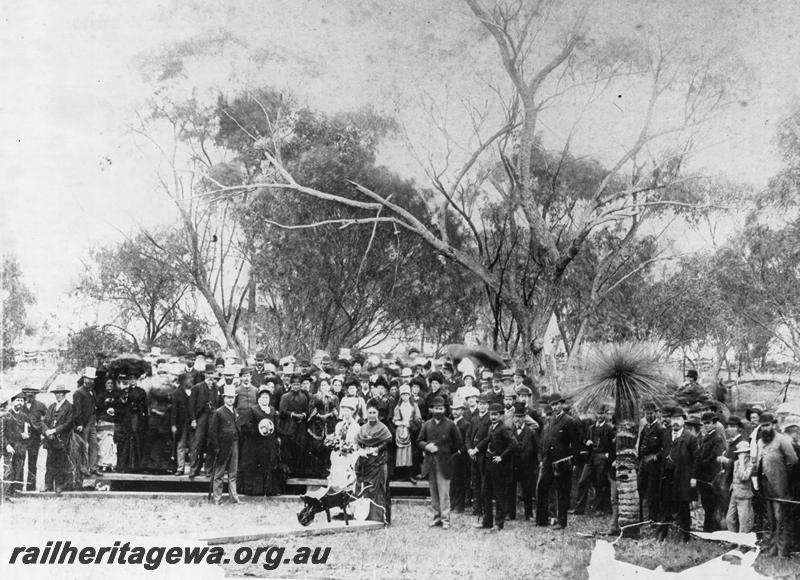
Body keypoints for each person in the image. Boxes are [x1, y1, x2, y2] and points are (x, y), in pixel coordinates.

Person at [752, 412, 798, 557]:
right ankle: (772, 549)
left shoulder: (782, 440)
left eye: (767, 425)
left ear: (773, 425)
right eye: (762, 426)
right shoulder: (760, 442)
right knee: (771, 519)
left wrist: (782, 478)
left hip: (780, 487)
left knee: (781, 519)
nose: (765, 428)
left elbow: (793, 461)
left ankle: (783, 551)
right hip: (766, 487)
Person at [418, 396, 463, 529]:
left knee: (444, 492)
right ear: (432, 409)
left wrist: (446, 451)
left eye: (441, 408)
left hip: (444, 463)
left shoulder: (451, 425)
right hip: (430, 462)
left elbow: (458, 443)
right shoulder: (426, 424)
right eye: (436, 408)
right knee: (434, 491)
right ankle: (436, 516)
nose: (438, 410)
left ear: (444, 409)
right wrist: (427, 446)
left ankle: (445, 519)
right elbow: (419, 440)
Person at [536, 393, 580, 530]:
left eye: (557, 404)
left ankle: (562, 521)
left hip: (562, 460)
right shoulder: (549, 421)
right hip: (549, 460)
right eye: (553, 405)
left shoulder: (569, 421)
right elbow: (545, 441)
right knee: (542, 487)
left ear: (562, 404)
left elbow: (576, 443)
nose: (555, 407)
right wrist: (543, 458)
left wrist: (574, 462)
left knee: (562, 491)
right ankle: (542, 519)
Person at [655, 406, 699, 542]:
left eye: (678, 419)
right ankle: (661, 535)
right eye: (673, 419)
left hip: (682, 479)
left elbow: (696, 459)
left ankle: (685, 537)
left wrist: (693, 477)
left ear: (683, 421)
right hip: (667, 477)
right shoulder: (666, 435)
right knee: (664, 507)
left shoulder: (690, 438)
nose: (675, 422)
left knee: (682, 508)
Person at [474, 403, 517, 531]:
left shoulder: (504, 428)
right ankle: (487, 522)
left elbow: (513, 444)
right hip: (488, 464)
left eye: (496, 414)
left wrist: (501, 457)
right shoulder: (491, 427)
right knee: (485, 493)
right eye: (491, 414)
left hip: (499, 467)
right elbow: (487, 440)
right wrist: (476, 449)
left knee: (499, 495)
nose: (493, 417)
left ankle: (498, 524)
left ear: (501, 415)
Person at [237, 386, 281, 495]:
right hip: (255, 444)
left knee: (268, 466)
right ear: (259, 399)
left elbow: (275, 426)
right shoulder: (253, 410)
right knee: (253, 466)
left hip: (268, 444)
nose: (265, 400)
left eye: (267, 398)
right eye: (263, 397)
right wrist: (258, 429)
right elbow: (245, 427)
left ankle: (268, 490)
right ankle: (252, 490)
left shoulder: (272, 410)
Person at [355, 404, 393, 523]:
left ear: (378, 415)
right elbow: (358, 441)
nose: (371, 415)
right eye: (370, 413)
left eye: (374, 413)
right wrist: (360, 450)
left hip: (379, 462)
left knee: (380, 489)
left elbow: (388, 441)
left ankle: (381, 517)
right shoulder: (363, 428)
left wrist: (376, 449)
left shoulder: (383, 428)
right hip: (366, 462)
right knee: (366, 488)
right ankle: (367, 516)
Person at [575, 404, 615, 515]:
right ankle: (579, 508)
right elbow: (585, 439)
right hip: (590, 457)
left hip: (602, 458)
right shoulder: (591, 427)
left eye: (602, 414)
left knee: (599, 483)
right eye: (598, 414)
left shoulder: (609, 429)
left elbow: (613, 446)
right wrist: (586, 442)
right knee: (582, 481)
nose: (599, 416)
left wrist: (607, 455)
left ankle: (599, 509)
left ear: (605, 415)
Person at [208, 383, 241, 504]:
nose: (231, 399)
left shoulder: (235, 412)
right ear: (224, 398)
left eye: (232, 397)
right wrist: (216, 447)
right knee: (219, 473)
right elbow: (212, 432)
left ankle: (234, 498)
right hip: (223, 446)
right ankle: (217, 498)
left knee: (233, 473)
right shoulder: (219, 412)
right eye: (228, 397)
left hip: (235, 444)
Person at [697, 411, 726, 532]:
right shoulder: (705, 438)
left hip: (712, 477)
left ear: (714, 424)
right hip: (704, 477)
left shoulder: (717, 439)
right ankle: (708, 529)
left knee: (712, 505)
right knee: (706, 504)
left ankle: (712, 531)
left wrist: (698, 464)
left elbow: (713, 458)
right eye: (704, 424)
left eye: (708, 423)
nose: (706, 426)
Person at [189, 363, 220, 478]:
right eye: (208, 374)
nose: (210, 376)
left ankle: (208, 469)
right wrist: (193, 419)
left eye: (212, 374)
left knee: (211, 443)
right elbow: (191, 405)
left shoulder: (217, 388)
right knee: (197, 443)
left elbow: (218, 405)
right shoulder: (197, 387)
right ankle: (194, 469)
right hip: (201, 417)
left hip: (212, 418)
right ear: (204, 374)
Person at [508, 401, 537, 521]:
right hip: (513, 465)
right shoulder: (509, 432)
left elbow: (536, 450)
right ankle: (510, 514)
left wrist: (535, 465)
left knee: (527, 490)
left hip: (526, 466)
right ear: (513, 418)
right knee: (510, 489)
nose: (518, 420)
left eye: (521, 417)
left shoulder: (531, 432)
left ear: (525, 417)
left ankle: (528, 514)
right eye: (516, 417)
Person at [278, 373, 311, 477]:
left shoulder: (304, 397)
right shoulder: (285, 397)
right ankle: (288, 473)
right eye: (294, 384)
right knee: (288, 450)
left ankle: (298, 473)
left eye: (298, 384)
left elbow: (307, 409)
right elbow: (282, 411)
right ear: (291, 385)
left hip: (300, 428)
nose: (296, 386)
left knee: (299, 449)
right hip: (288, 427)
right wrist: (292, 414)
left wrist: (304, 414)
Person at [43, 385, 74, 493]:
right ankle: (48, 485)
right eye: (56, 393)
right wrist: (47, 431)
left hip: (62, 439)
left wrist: (55, 430)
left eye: (60, 393)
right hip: (50, 439)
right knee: (49, 462)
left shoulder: (69, 407)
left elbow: (69, 423)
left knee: (61, 463)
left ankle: (59, 486)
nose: (58, 395)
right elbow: (44, 421)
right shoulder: (52, 406)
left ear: (64, 394)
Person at [637, 402, 664, 521]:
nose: (648, 416)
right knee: (639, 489)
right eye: (646, 414)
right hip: (643, 463)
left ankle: (653, 520)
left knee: (652, 494)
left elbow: (664, 448)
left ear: (656, 413)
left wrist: (655, 456)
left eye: (650, 413)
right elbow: (641, 445)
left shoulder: (660, 429)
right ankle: (640, 519)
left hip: (654, 466)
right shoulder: (645, 427)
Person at [467, 392, 491, 518]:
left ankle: (484, 508)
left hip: (482, 454)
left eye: (484, 404)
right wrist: (469, 449)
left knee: (483, 481)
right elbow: (468, 435)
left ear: (488, 405)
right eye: (480, 404)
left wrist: (476, 449)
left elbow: (487, 438)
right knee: (475, 481)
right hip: (473, 455)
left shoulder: (489, 419)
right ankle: (476, 508)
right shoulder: (474, 418)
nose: (482, 406)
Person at [1, 391, 30, 497]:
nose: (20, 403)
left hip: (20, 448)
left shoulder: (25, 416)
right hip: (9, 448)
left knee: (19, 470)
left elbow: (28, 430)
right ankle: (6, 493)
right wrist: (7, 445)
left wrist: (27, 435)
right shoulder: (6, 415)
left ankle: (16, 492)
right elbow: (1, 433)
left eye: (22, 401)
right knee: (8, 470)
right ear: (12, 402)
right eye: (17, 400)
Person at [72, 368, 98, 476]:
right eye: (88, 379)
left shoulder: (92, 391)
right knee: (83, 446)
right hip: (84, 423)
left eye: (92, 379)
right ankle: (83, 468)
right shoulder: (78, 392)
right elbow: (77, 410)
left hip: (92, 423)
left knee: (94, 445)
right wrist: (79, 424)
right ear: (84, 379)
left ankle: (93, 467)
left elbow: (93, 407)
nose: (90, 381)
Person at [393, 384, 422, 482]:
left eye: (406, 395)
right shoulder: (398, 407)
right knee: (402, 453)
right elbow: (395, 420)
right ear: (400, 396)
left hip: (411, 431)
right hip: (401, 431)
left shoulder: (414, 406)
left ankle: (411, 474)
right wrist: (401, 423)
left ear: (409, 395)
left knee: (411, 452)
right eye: (403, 395)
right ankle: (403, 474)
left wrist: (410, 423)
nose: (405, 397)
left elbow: (418, 418)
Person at [22, 387, 47, 489]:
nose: (29, 397)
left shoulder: (40, 405)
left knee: (32, 462)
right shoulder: (20, 405)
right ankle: (17, 487)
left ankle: (31, 487)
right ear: (24, 395)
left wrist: (42, 431)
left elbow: (47, 418)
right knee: (20, 462)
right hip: (22, 438)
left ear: (35, 395)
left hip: (35, 437)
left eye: (31, 395)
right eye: (27, 395)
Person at [726, 440, 754, 533]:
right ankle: (733, 540)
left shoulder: (750, 464)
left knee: (744, 522)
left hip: (744, 495)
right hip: (734, 493)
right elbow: (734, 477)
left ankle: (742, 545)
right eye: (739, 453)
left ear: (747, 453)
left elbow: (744, 477)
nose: (740, 455)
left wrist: (742, 463)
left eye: (742, 453)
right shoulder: (736, 463)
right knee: (729, 519)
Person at [170, 374, 194, 476]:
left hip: (192, 423)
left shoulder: (195, 391)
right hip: (181, 424)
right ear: (183, 381)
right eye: (188, 380)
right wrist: (173, 425)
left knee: (194, 446)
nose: (190, 381)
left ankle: (193, 469)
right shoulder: (177, 393)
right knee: (181, 446)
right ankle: (180, 468)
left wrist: (195, 420)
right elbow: (174, 411)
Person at [450, 399, 471, 513]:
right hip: (450, 456)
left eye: (457, 409)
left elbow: (467, 441)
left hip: (460, 457)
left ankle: (459, 506)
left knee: (460, 481)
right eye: (453, 409)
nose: (455, 412)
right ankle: (452, 504)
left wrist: (459, 452)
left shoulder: (466, 424)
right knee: (452, 481)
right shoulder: (450, 423)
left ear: (462, 411)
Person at [95, 378, 117, 472]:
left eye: (111, 383)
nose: (110, 385)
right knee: (103, 443)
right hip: (104, 420)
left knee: (112, 443)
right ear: (105, 384)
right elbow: (98, 407)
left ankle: (111, 464)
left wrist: (114, 410)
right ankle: (102, 464)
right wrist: (106, 407)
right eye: (108, 383)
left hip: (113, 421)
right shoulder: (101, 395)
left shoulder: (117, 395)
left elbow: (120, 406)